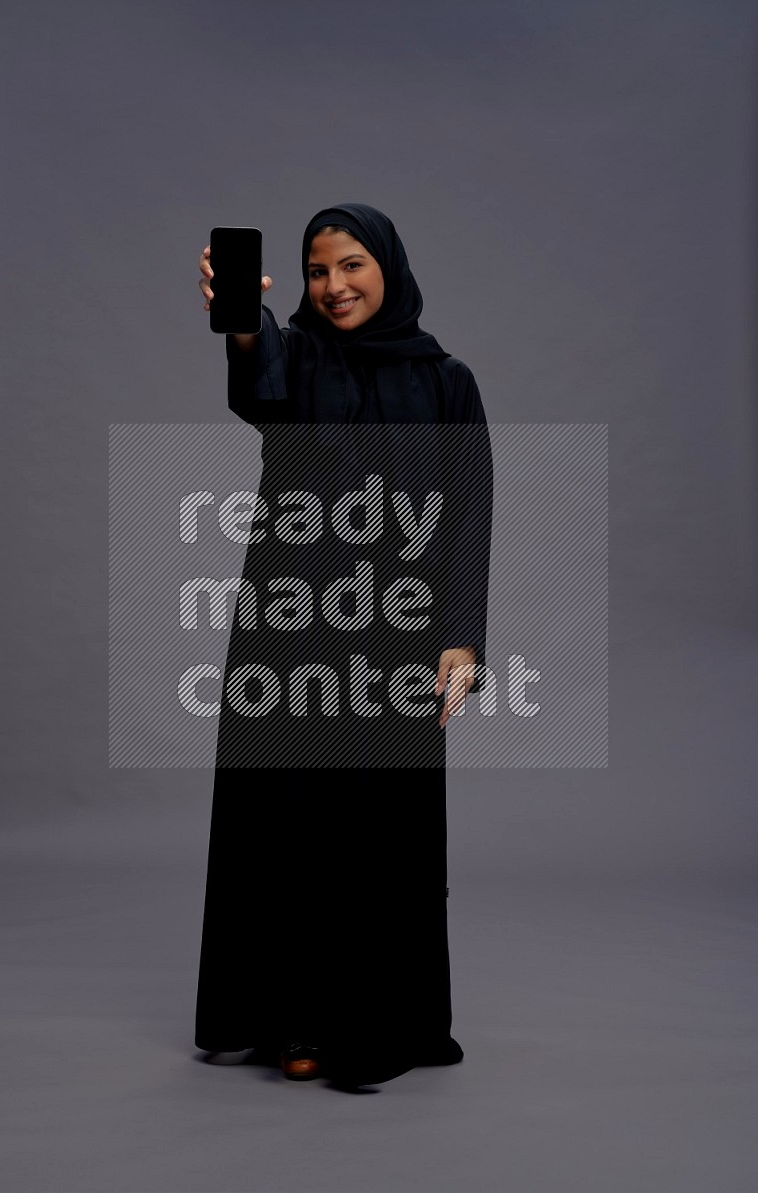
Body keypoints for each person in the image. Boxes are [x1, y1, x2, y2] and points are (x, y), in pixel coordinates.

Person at [193, 202, 493, 1088]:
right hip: (290, 630)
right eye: (319, 271)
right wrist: (242, 326)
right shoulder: (299, 358)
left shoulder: (447, 380)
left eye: (352, 265)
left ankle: (379, 1022)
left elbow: (469, 511)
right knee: (291, 825)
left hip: (399, 635)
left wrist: (462, 640)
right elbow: (256, 378)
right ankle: (296, 1019)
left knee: (382, 832)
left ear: (389, 267)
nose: (334, 286)